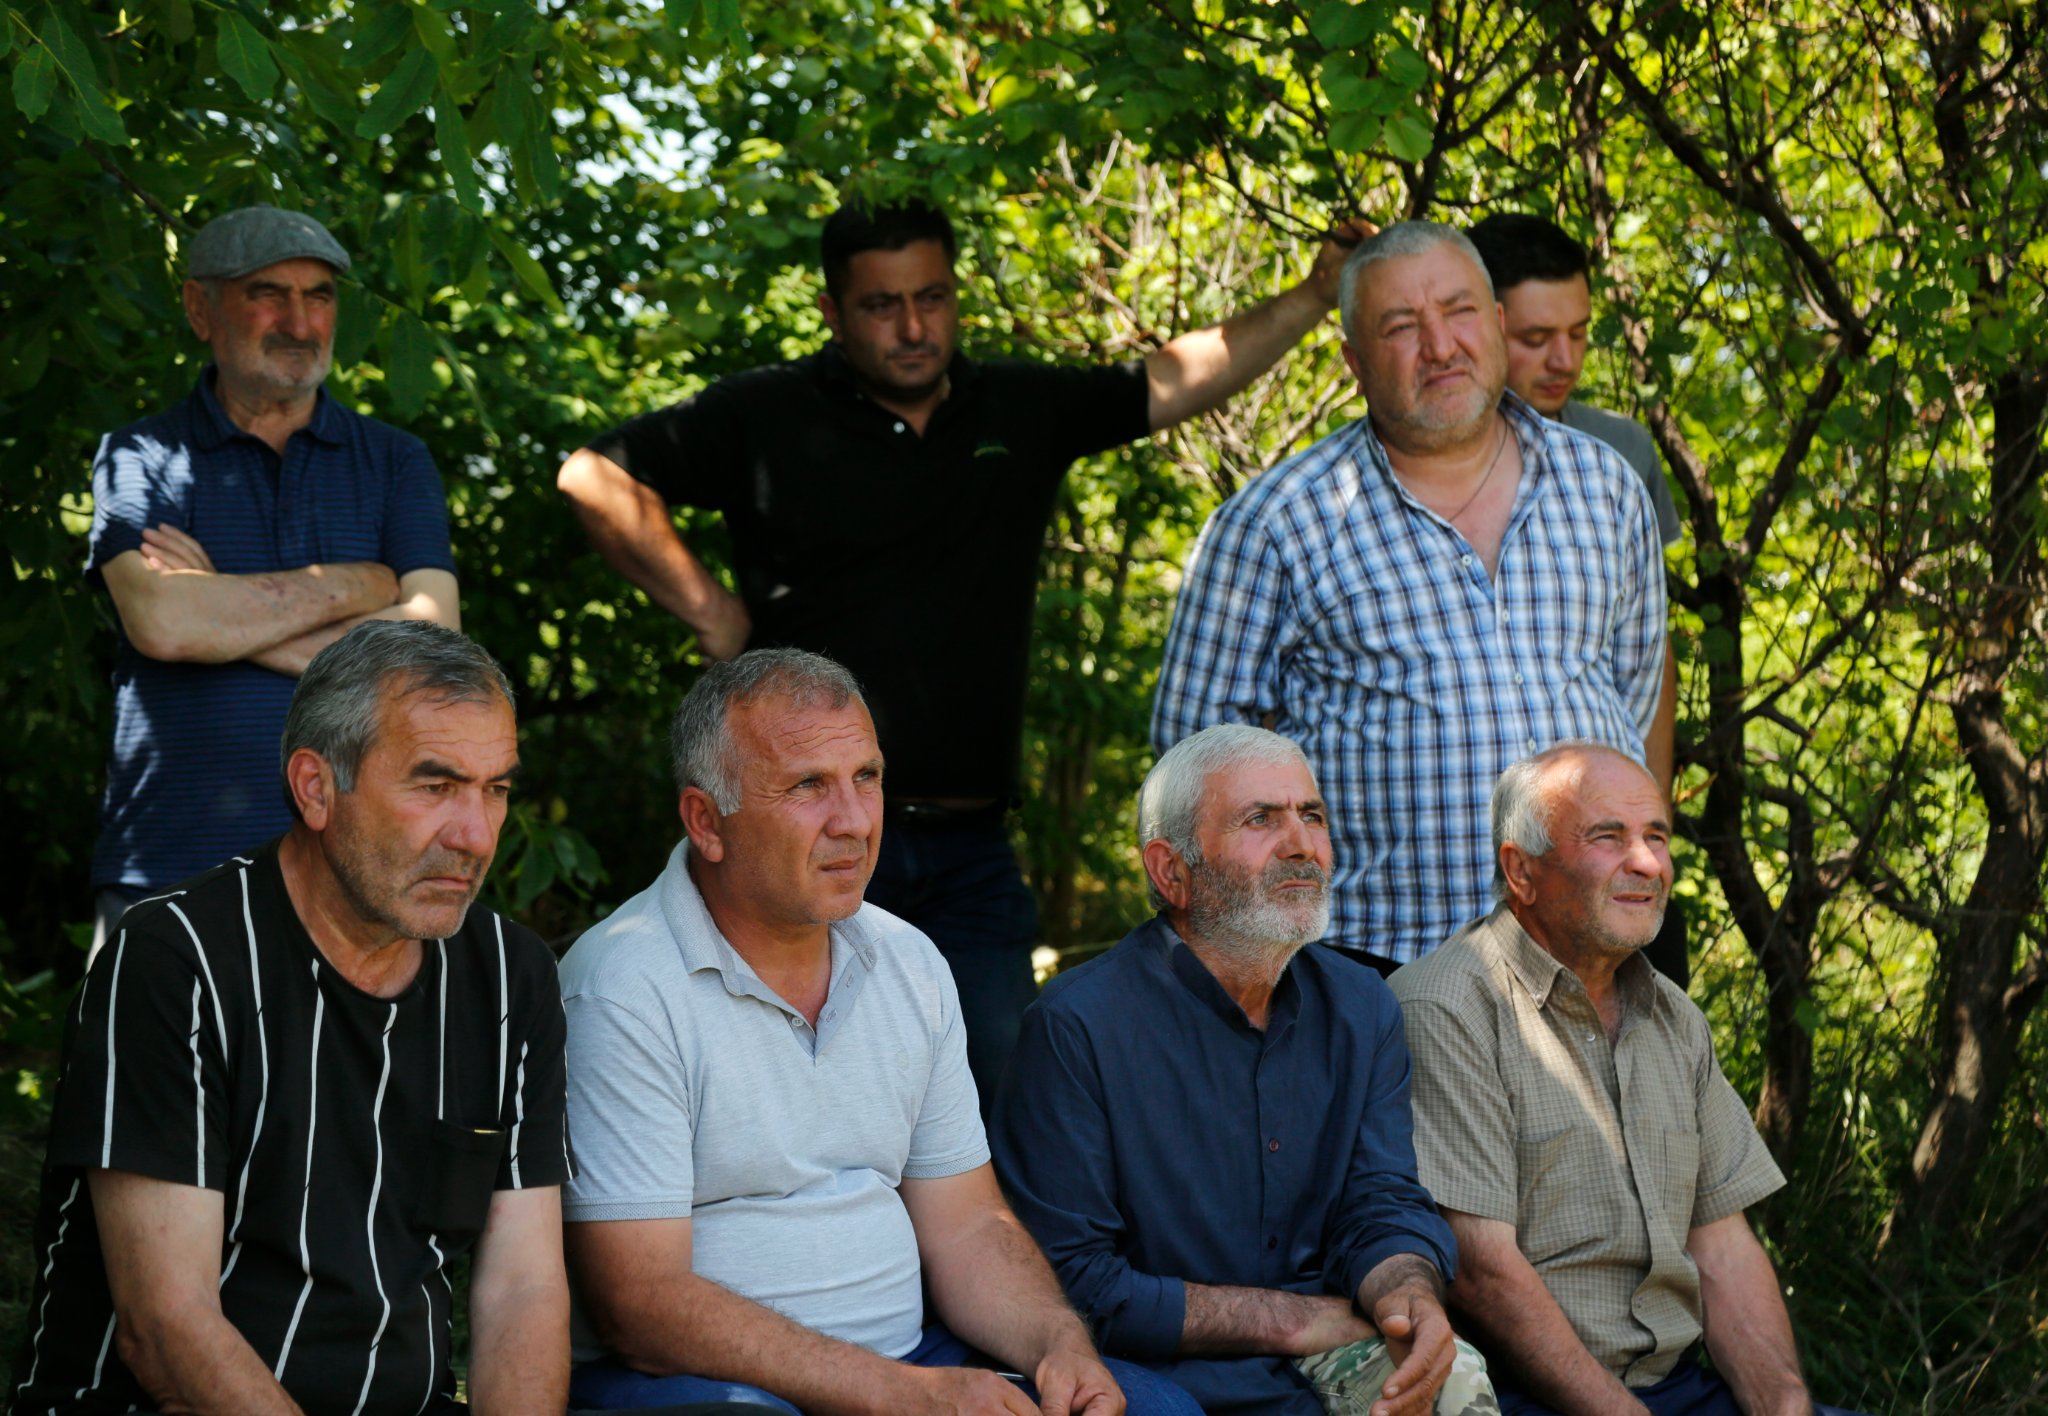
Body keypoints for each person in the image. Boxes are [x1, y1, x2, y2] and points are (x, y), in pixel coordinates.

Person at [556, 197, 1370, 1103]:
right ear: (832, 312)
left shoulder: (1015, 407)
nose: (913, 327)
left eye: (932, 298)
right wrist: (712, 614)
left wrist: (1313, 295)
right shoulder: (769, 413)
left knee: (1006, 1095)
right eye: (881, 305)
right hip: (805, 839)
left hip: (969, 852)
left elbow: (1170, 381)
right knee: (794, 1087)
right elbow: (594, 475)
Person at [556, 649, 1197, 1416]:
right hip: (700, 1387)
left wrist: (1057, 1344)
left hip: (910, 1359)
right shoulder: (622, 986)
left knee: (1160, 1410)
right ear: (706, 822)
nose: (855, 821)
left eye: (867, 777)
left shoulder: (908, 961)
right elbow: (641, 1305)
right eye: (807, 786)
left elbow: (969, 1224)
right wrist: (906, 1396)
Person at [12, 622, 580, 1415]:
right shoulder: (177, 960)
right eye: (435, 786)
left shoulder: (511, 977)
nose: (476, 836)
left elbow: (523, 1288)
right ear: (315, 787)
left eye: (496, 789)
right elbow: (167, 1329)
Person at [1151, 221, 1666, 972]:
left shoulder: (1606, 486)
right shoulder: (1276, 523)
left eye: (1460, 312)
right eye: (1401, 326)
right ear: (1354, 363)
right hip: (1377, 972)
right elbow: (1193, 775)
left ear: (1496, 323)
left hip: (1596, 961)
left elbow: (1635, 696)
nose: (1440, 346)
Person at [992, 724, 1497, 1416]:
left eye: (1311, 815)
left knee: (1449, 1378)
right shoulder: (1075, 1026)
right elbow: (1073, 1283)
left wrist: (1407, 1294)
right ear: (1172, 871)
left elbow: (1381, 1201)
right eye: (1261, 819)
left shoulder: (1362, 1005)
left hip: (1336, 1345)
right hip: (1158, 1374)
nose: (1302, 845)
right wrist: (1286, 1319)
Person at [1388, 743, 1862, 1416]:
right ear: (1521, 871)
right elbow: (1481, 1273)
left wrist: (1786, 1406)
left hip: (1679, 1386)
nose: (1647, 863)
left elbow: (1723, 1248)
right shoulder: (1446, 1007)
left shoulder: (1674, 1017)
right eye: (1608, 838)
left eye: (1657, 838)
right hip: (1522, 1396)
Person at [85, 205, 460, 958]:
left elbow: (430, 642)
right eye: (268, 294)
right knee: (146, 1043)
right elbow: (160, 622)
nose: (299, 321)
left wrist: (216, 611)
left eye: (318, 296)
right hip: (168, 861)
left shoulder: (394, 460)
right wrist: (361, 586)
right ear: (201, 309)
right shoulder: (139, 455)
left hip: (359, 869)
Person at [1466, 213, 1688, 984]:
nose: (1564, 360)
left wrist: (1653, 824)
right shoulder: (1416, 458)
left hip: (1605, 858)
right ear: (1480, 325)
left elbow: (1648, 652)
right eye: (1536, 338)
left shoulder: (1620, 451)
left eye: (1579, 333)